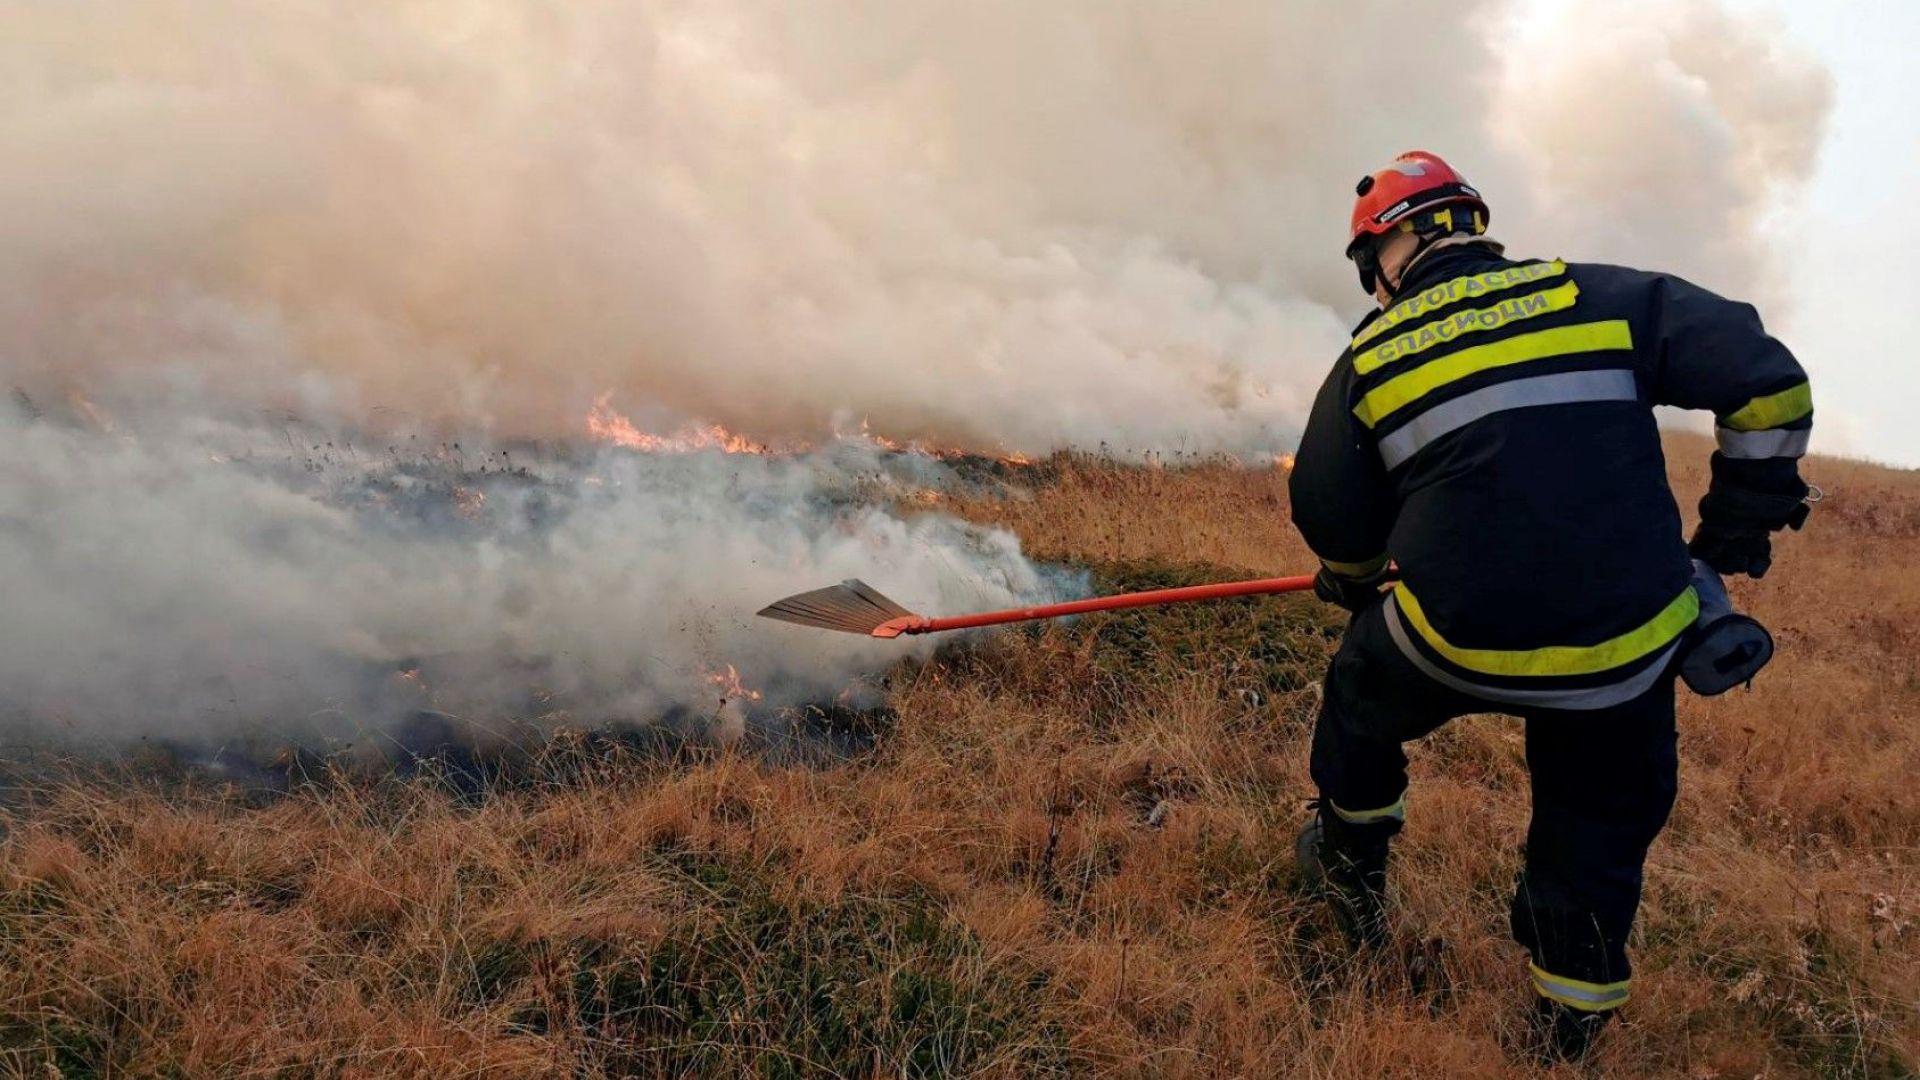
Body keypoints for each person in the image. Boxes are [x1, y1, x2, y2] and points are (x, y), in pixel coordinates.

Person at [1287, 150, 1814, 1060]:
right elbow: (1770, 382)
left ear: (1393, 248)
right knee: (1599, 820)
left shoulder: (1370, 358)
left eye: (1369, 263)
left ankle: (1346, 866)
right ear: (1473, 230)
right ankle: (1567, 1024)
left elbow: (1329, 510)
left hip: (1453, 638)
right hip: (1624, 651)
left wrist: (1355, 574)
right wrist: (1731, 535)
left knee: (1363, 691)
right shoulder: (1604, 296)